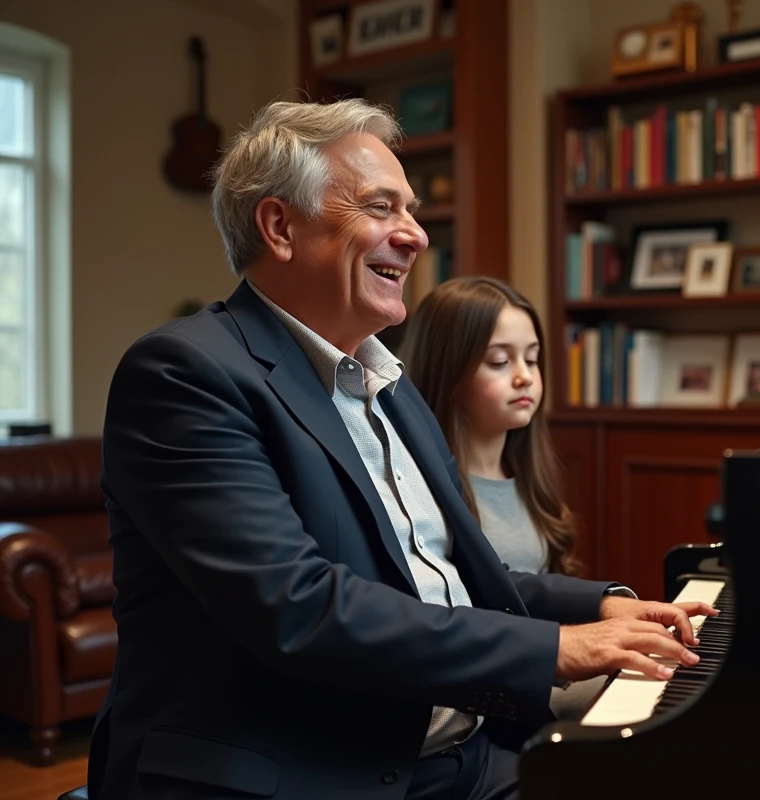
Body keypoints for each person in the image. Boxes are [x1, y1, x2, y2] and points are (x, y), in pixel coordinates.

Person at [88, 98, 715, 800]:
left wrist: (599, 606)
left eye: (411, 211)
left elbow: (451, 574)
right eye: (381, 207)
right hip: (305, 778)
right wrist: (557, 649)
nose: (415, 236)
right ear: (279, 226)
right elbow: (297, 607)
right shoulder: (185, 374)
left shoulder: (390, 385)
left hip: (463, 761)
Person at [398, 277, 606, 718]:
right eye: (499, 361)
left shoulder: (529, 476)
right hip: (488, 701)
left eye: (532, 358)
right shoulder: (422, 496)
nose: (524, 376)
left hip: (541, 677)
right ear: (447, 370)